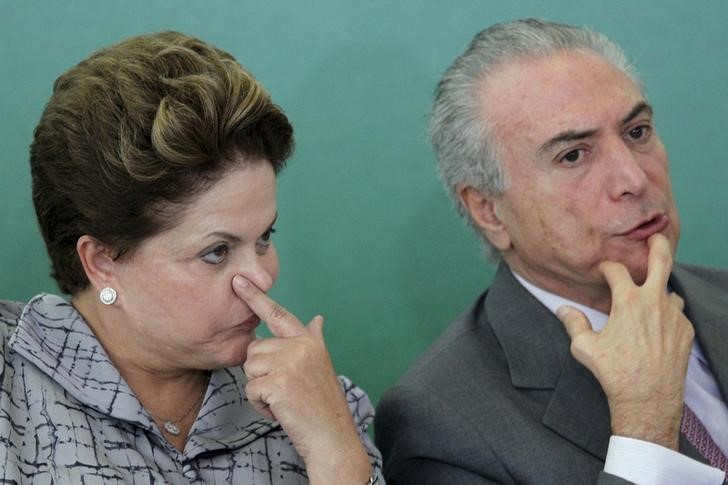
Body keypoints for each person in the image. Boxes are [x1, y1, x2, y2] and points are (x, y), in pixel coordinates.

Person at [0, 31, 382, 484]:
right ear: (102, 261)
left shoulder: (316, 406)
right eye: (217, 252)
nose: (261, 277)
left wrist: (336, 454)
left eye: (264, 237)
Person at [375, 18, 728, 484]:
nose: (634, 180)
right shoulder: (441, 424)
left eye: (637, 132)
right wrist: (645, 429)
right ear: (489, 211)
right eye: (573, 156)